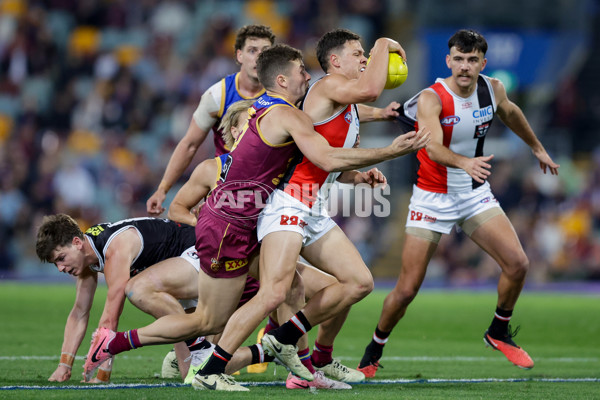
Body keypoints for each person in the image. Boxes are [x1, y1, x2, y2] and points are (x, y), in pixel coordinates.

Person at [83, 43, 428, 392]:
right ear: (282, 79)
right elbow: (325, 156)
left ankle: (290, 355)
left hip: (255, 215)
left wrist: (369, 143)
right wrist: (389, 149)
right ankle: (223, 362)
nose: (308, 78)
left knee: (313, 287)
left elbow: (315, 155)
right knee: (238, 307)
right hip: (235, 222)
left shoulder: (273, 107)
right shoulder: (287, 114)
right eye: (301, 73)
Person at [192, 34, 430, 390]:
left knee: (359, 282)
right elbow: (364, 97)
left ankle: (286, 340)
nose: (364, 59)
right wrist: (384, 44)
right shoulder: (327, 86)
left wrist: (358, 175)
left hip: (311, 203)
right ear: (334, 62)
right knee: (272, 293)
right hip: (288, 201)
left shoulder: (341, 106)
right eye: (357, 53)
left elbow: (329, 162)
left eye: (366, 53)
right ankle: (212, 369)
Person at [357, 29, 560, 377]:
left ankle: (498, 331)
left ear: (483, 62)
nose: (464, 67)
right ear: (448, 61)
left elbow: (510, 113)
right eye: (459, 59)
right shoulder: (431, 98)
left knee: (518, 263)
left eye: (472, 60)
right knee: (406, 290)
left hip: (472, 194)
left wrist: (536, 147)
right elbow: (431, 147)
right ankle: (372, 352)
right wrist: (465, 162)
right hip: (431, 197)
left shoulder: (493, 89)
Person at [167, 98, 357, 389]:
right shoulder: (212, 168)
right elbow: (177, 208)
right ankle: (158, 349)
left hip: (263, 245)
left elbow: (321, 166)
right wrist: (208, 224)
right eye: (248, 123)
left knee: (323, 289)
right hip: (227, 248)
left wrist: (358, 171)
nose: (256, 128)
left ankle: (305, 368)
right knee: (211, 321)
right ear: (232, 130)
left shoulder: (275, 165)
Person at [35, 215, 204, 382]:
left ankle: (191, 347)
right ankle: (192, 347)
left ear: (77, 243)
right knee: (209, 357)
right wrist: (64, 365)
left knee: (137, 290)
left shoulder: (114, 249)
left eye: (61, 258)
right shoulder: (88, 254)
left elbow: (111, 317)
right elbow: (79, 312)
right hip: (180, 267)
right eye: (55, 263)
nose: (60, 268)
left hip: (199, 252)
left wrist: (102, 374)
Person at [146, 24, 275, 216]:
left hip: (270, 188)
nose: (259, 57)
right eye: (252, 50)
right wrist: (163, 189)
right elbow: (189, 144)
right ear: (239, 55)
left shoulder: (282, 93)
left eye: (265, 51)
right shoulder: (218, 95)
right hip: (228, 189)